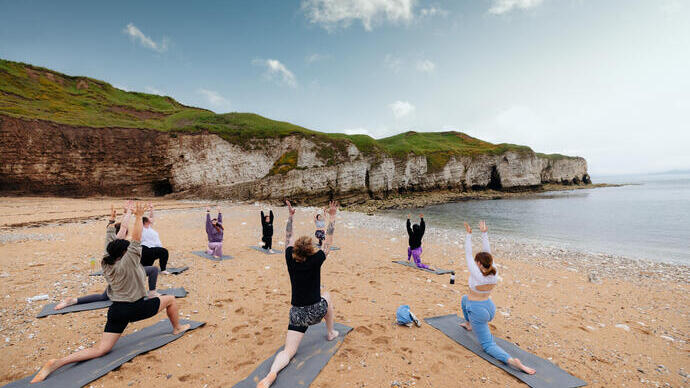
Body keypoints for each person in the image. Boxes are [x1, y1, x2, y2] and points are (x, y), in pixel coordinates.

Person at [30, 202, 190, 384]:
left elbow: (112, 236)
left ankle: (57, 363)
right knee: (170, 300)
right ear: (125, 252)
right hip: (136, 308)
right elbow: (136, 239)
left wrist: (115, 218)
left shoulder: (106, 261)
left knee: (101, 349)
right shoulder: (129, 261)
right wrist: (138, 217)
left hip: (116, 311)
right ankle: (177, 328)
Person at [257, 200, 340, 388]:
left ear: (295, 249)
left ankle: (272, 374)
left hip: (297, 314)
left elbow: (288, 236)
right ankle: (330, 333)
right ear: (311, 250)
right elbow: (328, 241)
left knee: (288, 352)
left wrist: (290, 217)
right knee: (327, 296)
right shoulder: (317, 259)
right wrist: (332, 217)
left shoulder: (289, 258)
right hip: (315, 311)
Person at [459, 221, 535, 375]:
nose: (474, 263)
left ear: (479, 264)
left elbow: (467, 253)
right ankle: (468, 323)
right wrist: (484, 233)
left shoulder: (477, 274)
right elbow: (488, 253)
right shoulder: (494, 271)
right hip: (489, 307)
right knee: (464, 299)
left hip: (478, 311)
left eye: (476, 262)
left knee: (487, 345)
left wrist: (468, 235)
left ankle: (512, 361)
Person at [55, 203, 160, 310]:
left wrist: (116, 217)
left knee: (103, 296)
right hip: (126, 282)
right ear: (123, 251)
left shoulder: (108, 253)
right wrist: (136, 216)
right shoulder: (123, 249)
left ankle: (73, 300)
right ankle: (152, 293)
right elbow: (128, 231)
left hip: (117, 280)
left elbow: (119, 228)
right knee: (153, 270)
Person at [141, 203, 170, 274]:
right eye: (149, 219)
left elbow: (152, 217)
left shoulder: (149, 228)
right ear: (145, 222)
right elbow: (140, 221)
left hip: (151, 249)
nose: (151, 219)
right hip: (146, 249)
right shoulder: (142, 229)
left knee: (147, 267)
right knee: (164, 252)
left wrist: (151, 209)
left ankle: (141, 267)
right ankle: (163, 270)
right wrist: (140, 213)